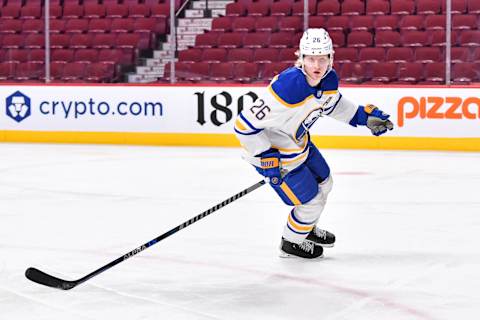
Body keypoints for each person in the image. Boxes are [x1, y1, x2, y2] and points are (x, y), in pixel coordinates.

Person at [234, 28, 394, 259]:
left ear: (331, 58)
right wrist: (265, 155)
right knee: (311, 202)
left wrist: (362, 117)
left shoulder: (327, 79)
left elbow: (334, 105)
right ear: (301, 58)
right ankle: (291, 242)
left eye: (322, 58)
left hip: (300, 146)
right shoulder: (288, 87)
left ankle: (304, 228)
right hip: (276, 157)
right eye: (311, 58)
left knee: (325, 183)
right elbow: (244, 125)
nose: (316, 64)